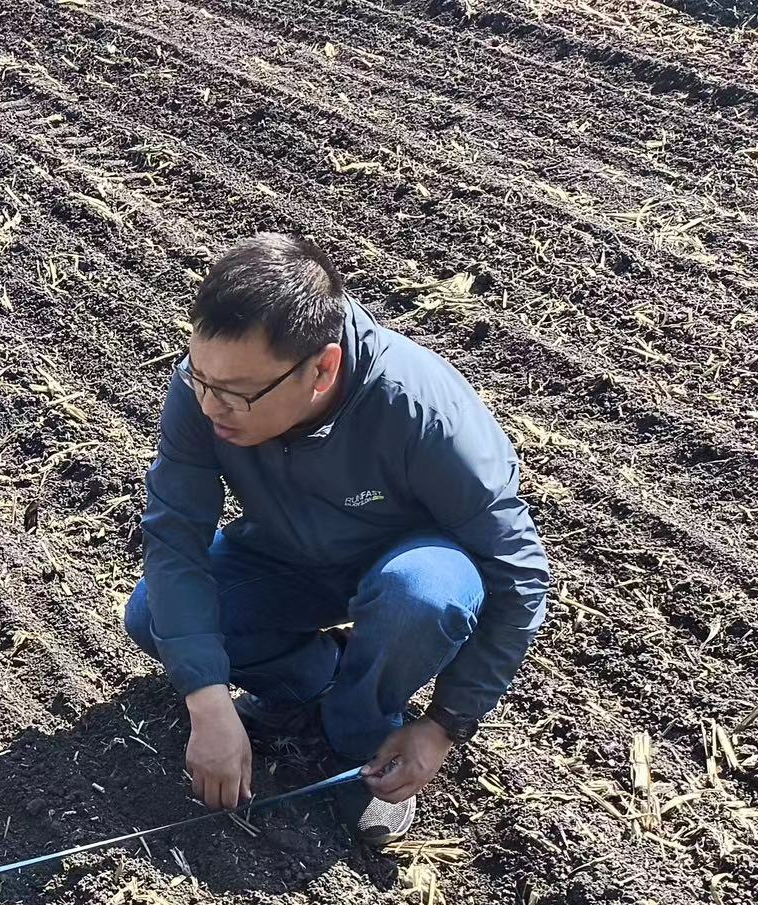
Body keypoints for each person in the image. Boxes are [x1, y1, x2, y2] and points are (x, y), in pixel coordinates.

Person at [126, 233, 549, 844]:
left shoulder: (421, 416)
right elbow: (175, 540)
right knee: (150, 615)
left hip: (408, 566)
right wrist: (206, 697)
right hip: (291, 554)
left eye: (237, 393)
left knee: (421, 596)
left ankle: (365, 737)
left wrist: (445, 726)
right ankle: (309, 685)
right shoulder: (208, 391)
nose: (211, 405)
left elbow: (519, 573)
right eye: (199, 377)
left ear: (321, 369)